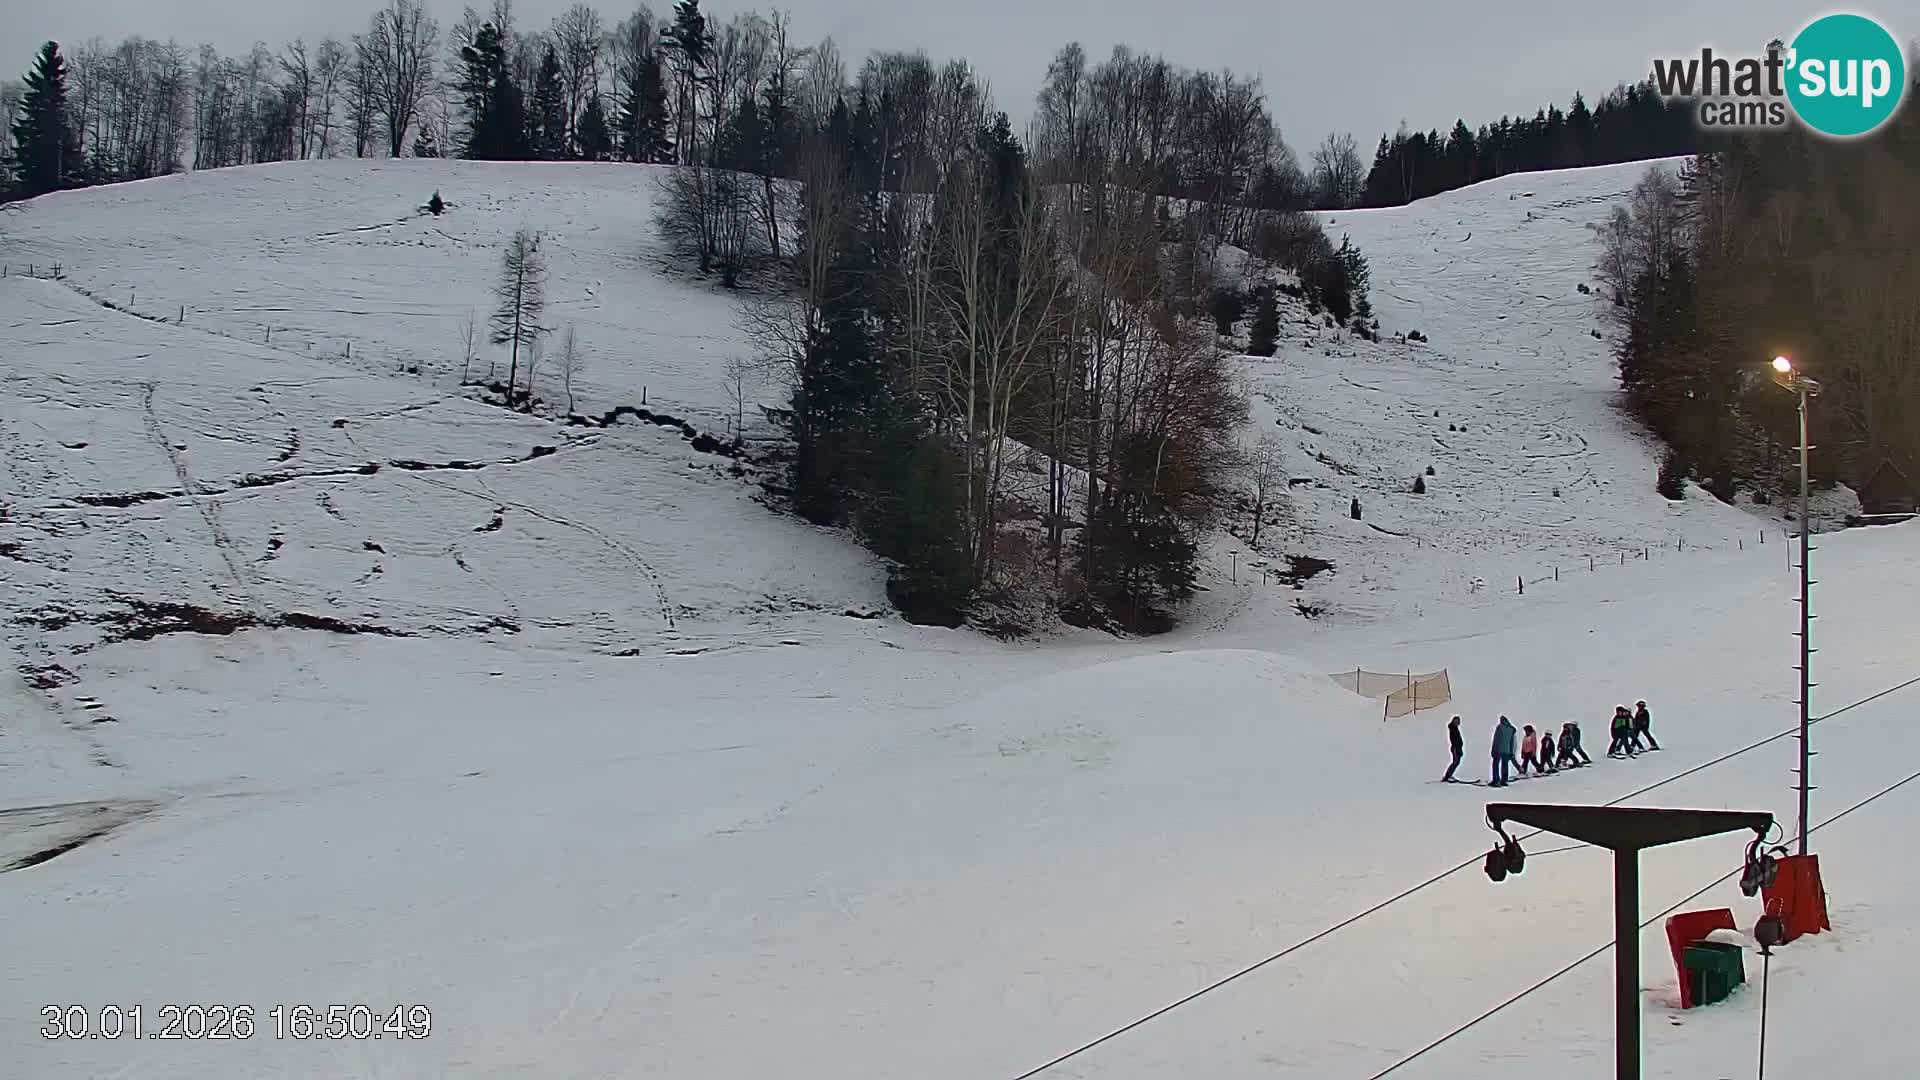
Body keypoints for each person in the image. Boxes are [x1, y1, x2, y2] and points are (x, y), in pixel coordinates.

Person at [1491, 716, 1517, 787]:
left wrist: (1493, 750)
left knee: (1495, 765)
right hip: (1507, 750)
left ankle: (1496, 780)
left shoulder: (1500, 727)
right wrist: (1511, 752)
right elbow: (1512, 742)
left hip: (1498, 749)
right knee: (1505, 765)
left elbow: (1496, 739)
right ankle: (1504, 780)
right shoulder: (1511, 729)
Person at [1443, 715, 1465, 782]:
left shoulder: (1455, 728)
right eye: (1455, 721)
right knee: (1455, 762)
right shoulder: (1453, 728)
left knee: (1456, 762)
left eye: (1457, 721)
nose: (1456, 722)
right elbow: (1454, 739)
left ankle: (1449, 775)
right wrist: (1455, 747)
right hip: (1455, 748)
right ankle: (1447, 776)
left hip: (1458, 748)